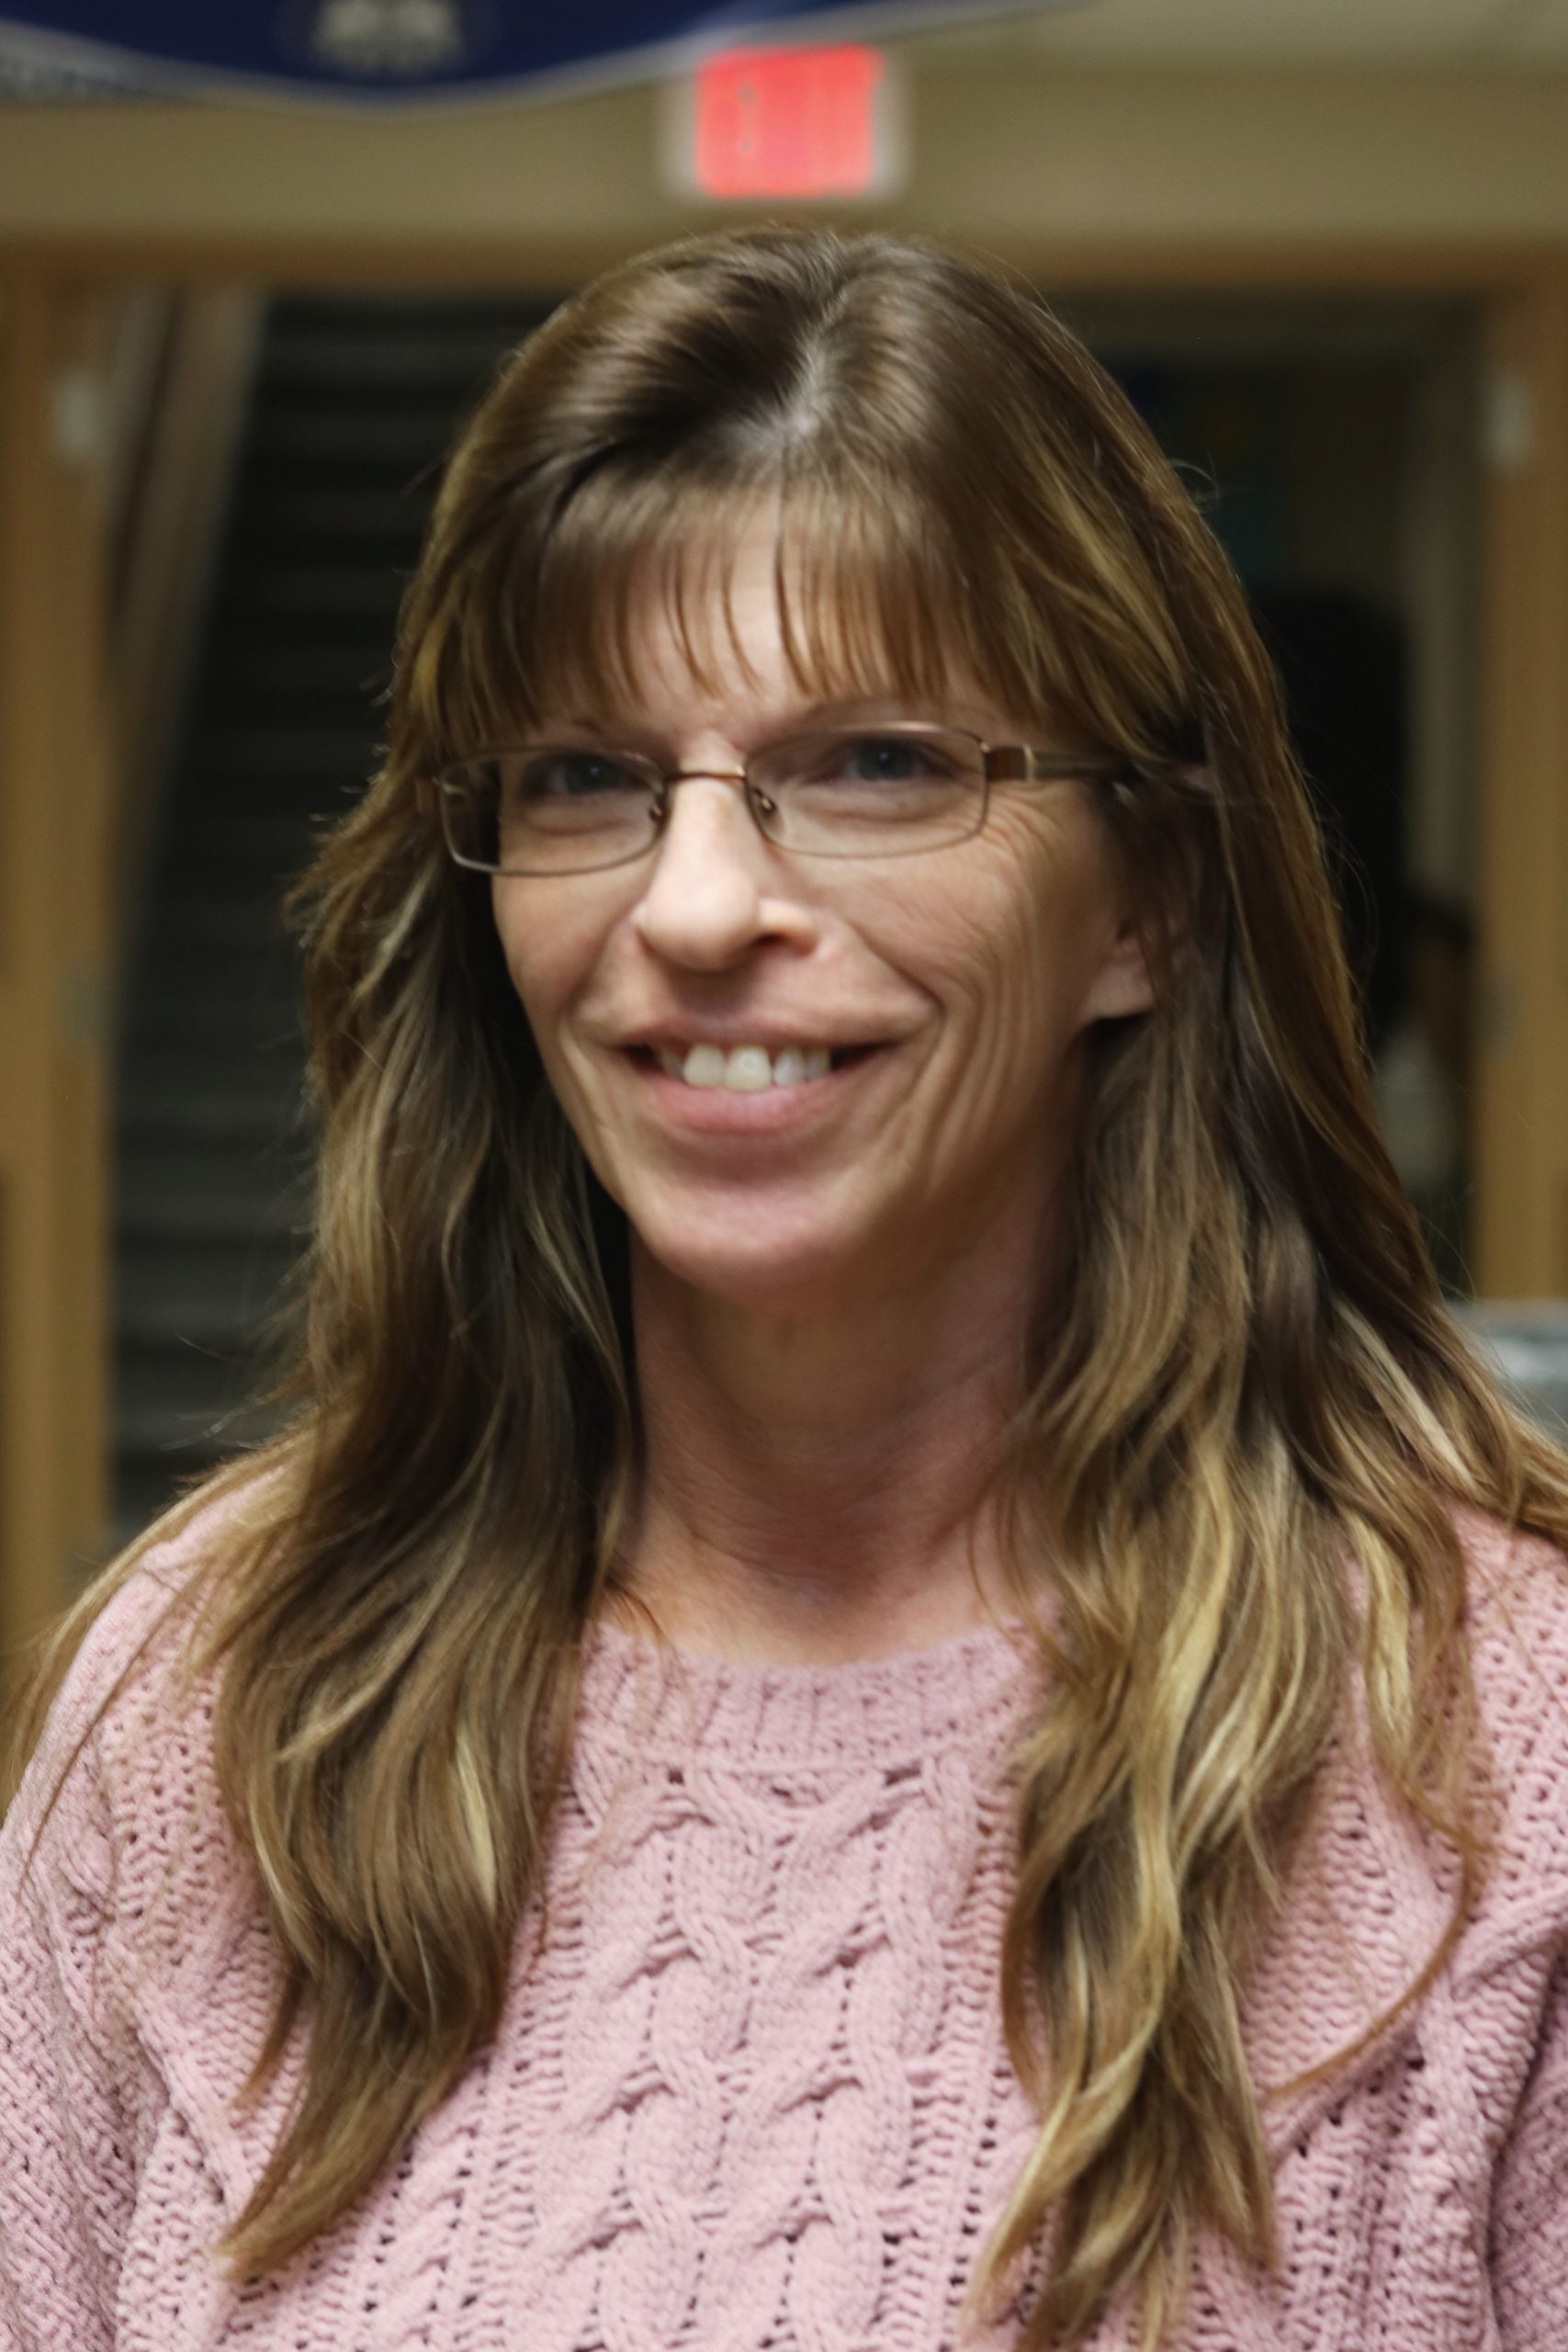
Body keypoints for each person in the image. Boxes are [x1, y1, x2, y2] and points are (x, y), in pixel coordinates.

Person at [2, 224, 1566, 2352]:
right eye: (588, 777)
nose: (699, 901)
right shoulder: (213, 1700)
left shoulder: (1496, 1762)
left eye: (878, 762)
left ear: (1151, 906)